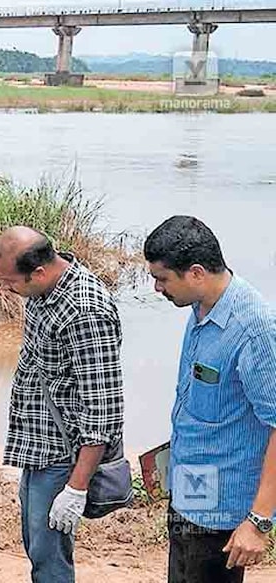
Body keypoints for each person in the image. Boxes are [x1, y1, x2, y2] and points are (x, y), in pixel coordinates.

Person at [0, 226, 125, 583]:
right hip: (37, 447)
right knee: (38, 551)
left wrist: (76, 488)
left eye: (10, 281)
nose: (6, 289)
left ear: (39, 272)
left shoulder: (85, 311)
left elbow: (103, 411)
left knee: (50, 564)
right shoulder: (40, 293)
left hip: (63, 459)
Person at [144, 216, 276, 583]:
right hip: (188, 493)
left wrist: (259, 522)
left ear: (197, 273)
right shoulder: (198, 310)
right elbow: (208, 407)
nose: (157, 288)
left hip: (223, 514)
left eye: (163, 279)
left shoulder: (255, 330)